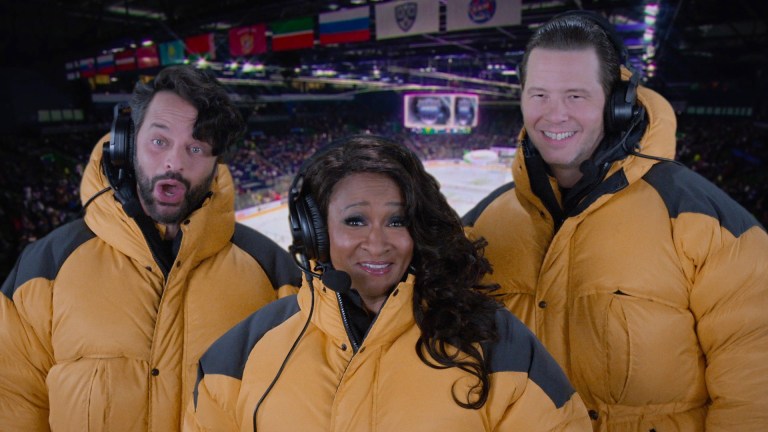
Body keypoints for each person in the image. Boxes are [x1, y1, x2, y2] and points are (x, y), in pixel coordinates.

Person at [462, 11, 768, 431]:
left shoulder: (707, 223)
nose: (554, 115)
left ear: (618, 103)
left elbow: (755, 394)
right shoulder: (480, 225)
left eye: (576, 95)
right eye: (539, 95)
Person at [184, 135, 592, 431]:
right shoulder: (240, 355)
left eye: (397, 221)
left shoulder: (499, 342)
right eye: (355, 220)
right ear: (315, 233)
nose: (377, 243)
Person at [0, 65, 301, 431]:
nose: (175, 162)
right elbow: (13, 405)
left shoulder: (274, 275)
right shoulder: (44, 269)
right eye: (160, 142)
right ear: (125, 143)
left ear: (215, 161)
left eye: (196, 146)